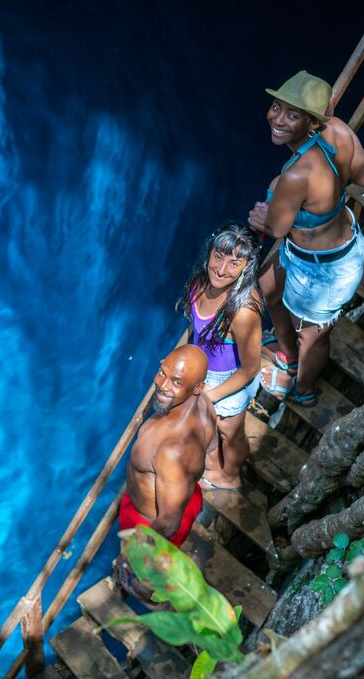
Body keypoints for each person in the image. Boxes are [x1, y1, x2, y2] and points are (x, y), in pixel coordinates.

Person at [247, 71, 364, 407]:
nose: (277, 119)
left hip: (320, 272)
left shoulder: (296, 174)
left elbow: (274, 228)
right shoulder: (340, 131)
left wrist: (264, 212)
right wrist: (323, 197)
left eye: (292, 115)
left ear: (312, 122)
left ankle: (303, 388)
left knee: (312, 336)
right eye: (276, 107)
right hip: (340, 243)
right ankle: (288, 356)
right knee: (267, 285)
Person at [117, 345, 214, 601]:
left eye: (176, 382)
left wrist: (132, 552)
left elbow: (169, 522)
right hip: (181, 494)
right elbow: (211, 448)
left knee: (145, 580)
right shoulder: (204, 406)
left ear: (197, 387)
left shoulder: (174, 451)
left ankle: (149, 592)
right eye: (163, 372)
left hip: (153, 521)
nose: (163, 385)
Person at [179, 224, 264, 491]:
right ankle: (216, 467)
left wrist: (210, 396)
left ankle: (230, 477)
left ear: (245, 267)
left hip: (229, 379)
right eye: (219, 256)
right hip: (204, 374)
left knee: (230, 432)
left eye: (234, 263)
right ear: (210, 252)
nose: (221, 269)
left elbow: (250, 368)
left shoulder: (243, 312)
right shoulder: (200, 283)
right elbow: (197, 328)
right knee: (210, 427)